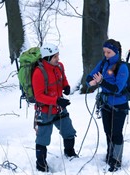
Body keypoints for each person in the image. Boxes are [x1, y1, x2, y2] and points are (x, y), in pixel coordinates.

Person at [32, 43, 77, 172]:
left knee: (69, 131)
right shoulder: (38, 73)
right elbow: (39, 96)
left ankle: (70, 153)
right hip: (45, 111)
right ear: (47, 58)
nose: (58, 59)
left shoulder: (59, 66)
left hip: (59, 108)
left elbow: (63, 78)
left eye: (58, 55)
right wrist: (56, 100)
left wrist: (66, 86)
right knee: (43, 138)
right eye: (55, 57)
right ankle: (41, 164)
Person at [86, 39, 129, 172]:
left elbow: (117, 88)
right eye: (104, 52)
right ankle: (110, 155)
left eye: (108, 52)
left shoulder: (122, 67)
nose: (106, 54)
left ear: (116, 53)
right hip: (105, 104)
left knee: (116, 133)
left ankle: (116, 160)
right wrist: (91, 82)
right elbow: (89, 76)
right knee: (107, 131)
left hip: (119, 105)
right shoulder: (103, 63)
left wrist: (101, 82)